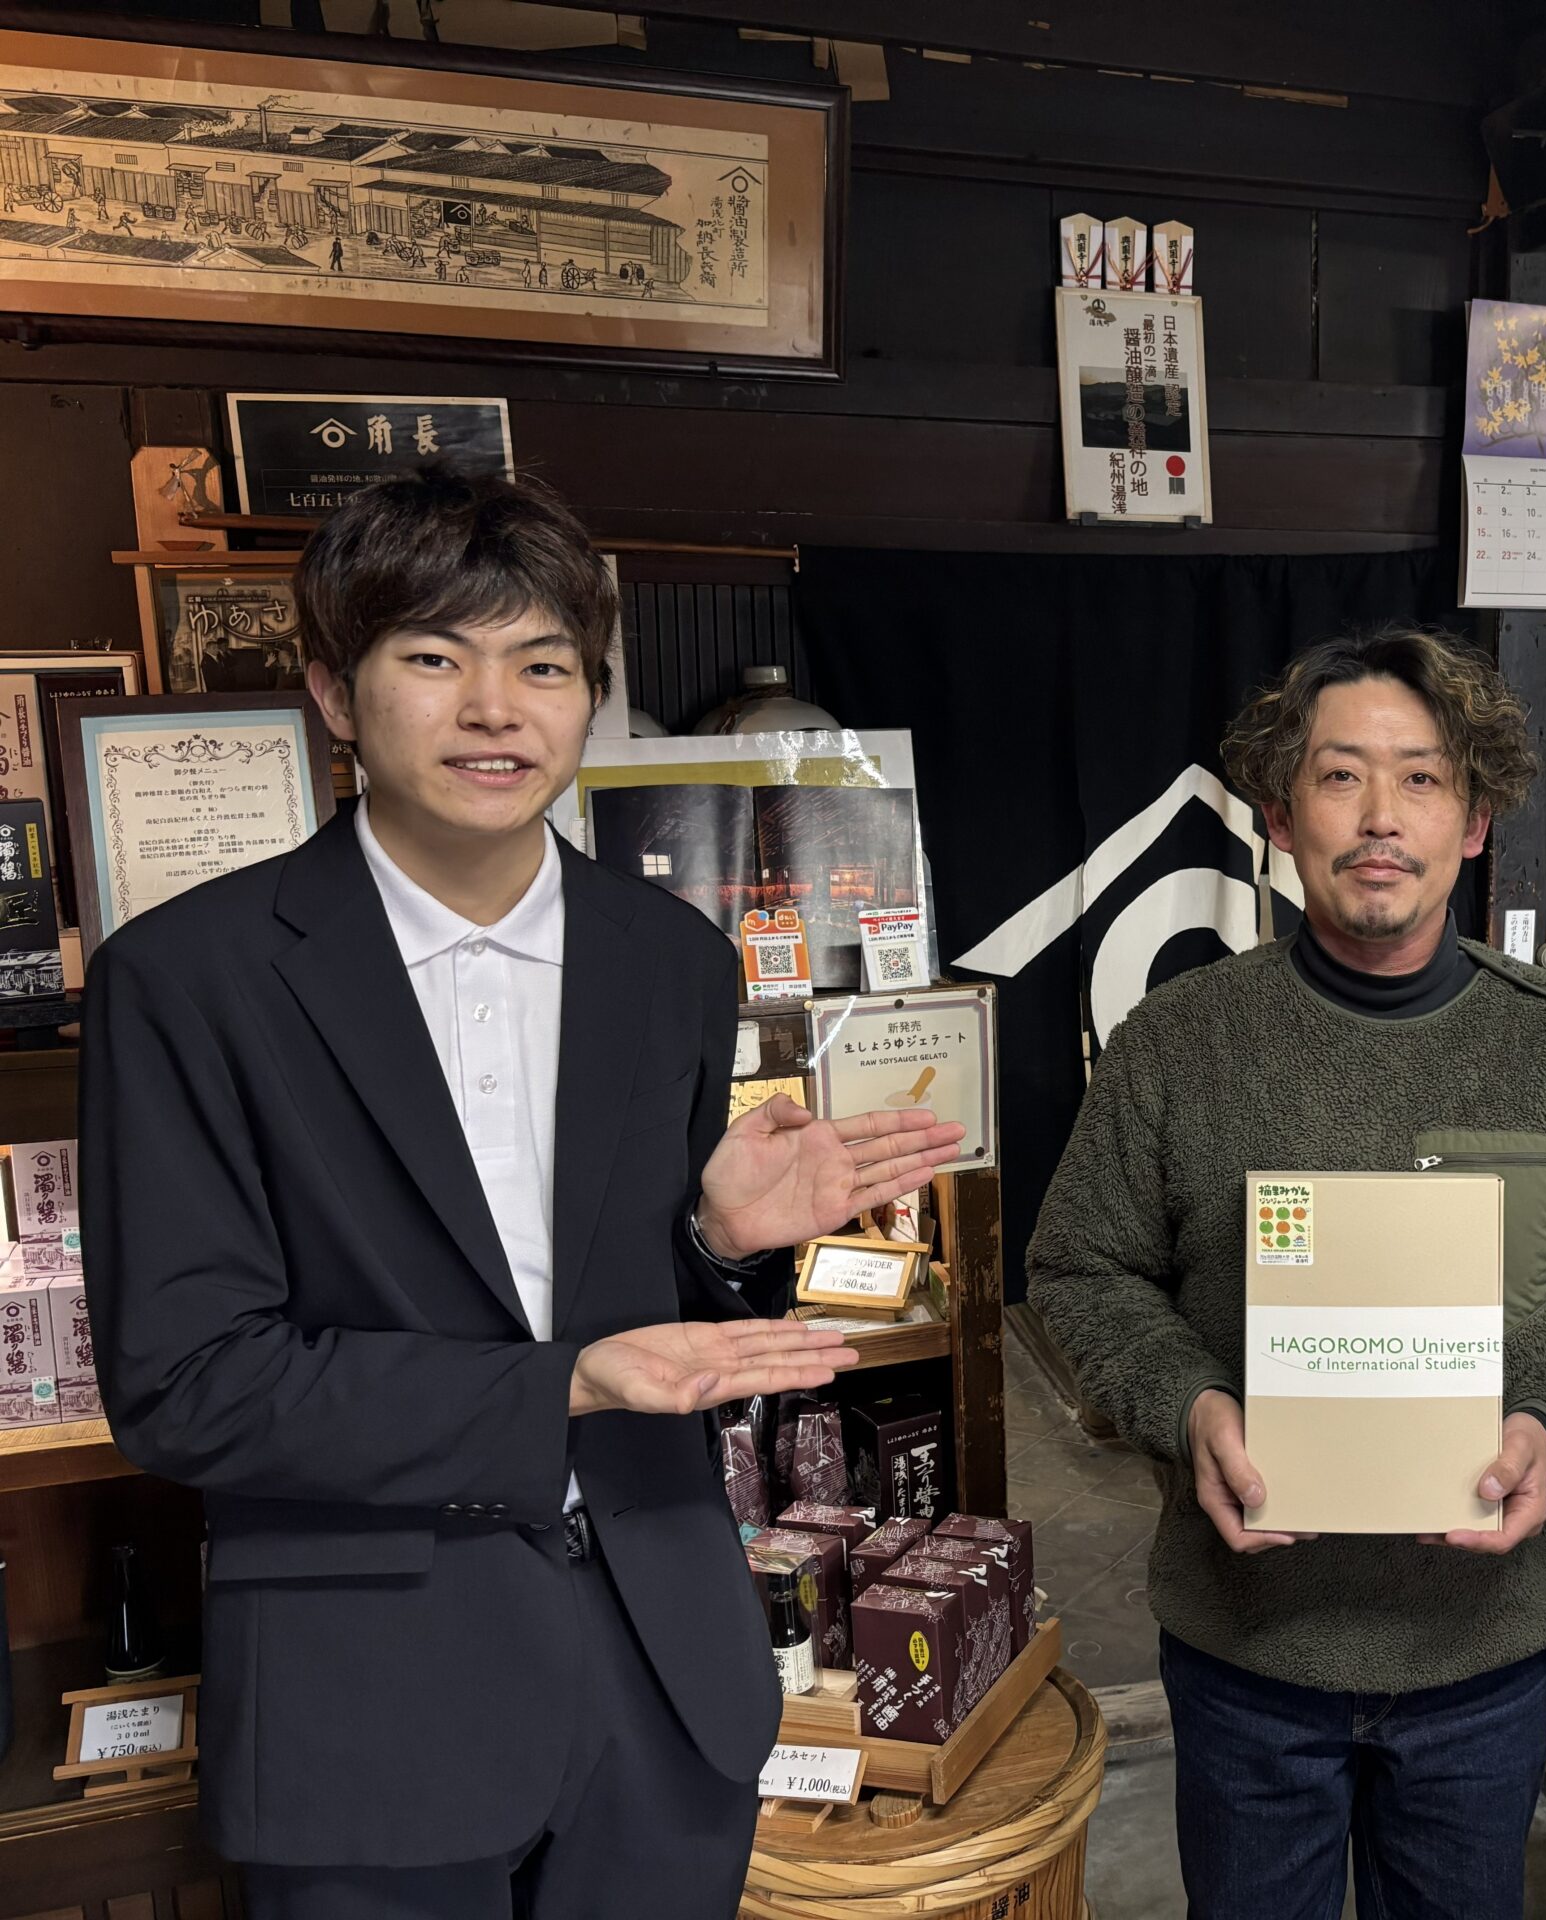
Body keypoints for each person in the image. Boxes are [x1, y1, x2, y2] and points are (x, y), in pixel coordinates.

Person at [83, 467, 964, 1918]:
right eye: (436, 659)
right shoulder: (190, 982)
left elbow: (654, 1326)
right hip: (365, 1696)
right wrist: (562, 1386)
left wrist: (718, 1243)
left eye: (543, 666)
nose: (495, 709)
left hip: (662, 1676)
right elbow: (189, 1388)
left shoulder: (670, 962)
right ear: (335, 692)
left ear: (590, 698)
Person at [1026, 627, 1546, 1920]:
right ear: (1279, 817)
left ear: (1474, 823)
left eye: (1422, 778)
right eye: (1340, 776)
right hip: (1247, 1645)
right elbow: (1082, 1268)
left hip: (1482, 1646)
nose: (1381, 815)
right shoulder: (1182, 1042)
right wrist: (1192, 1409)